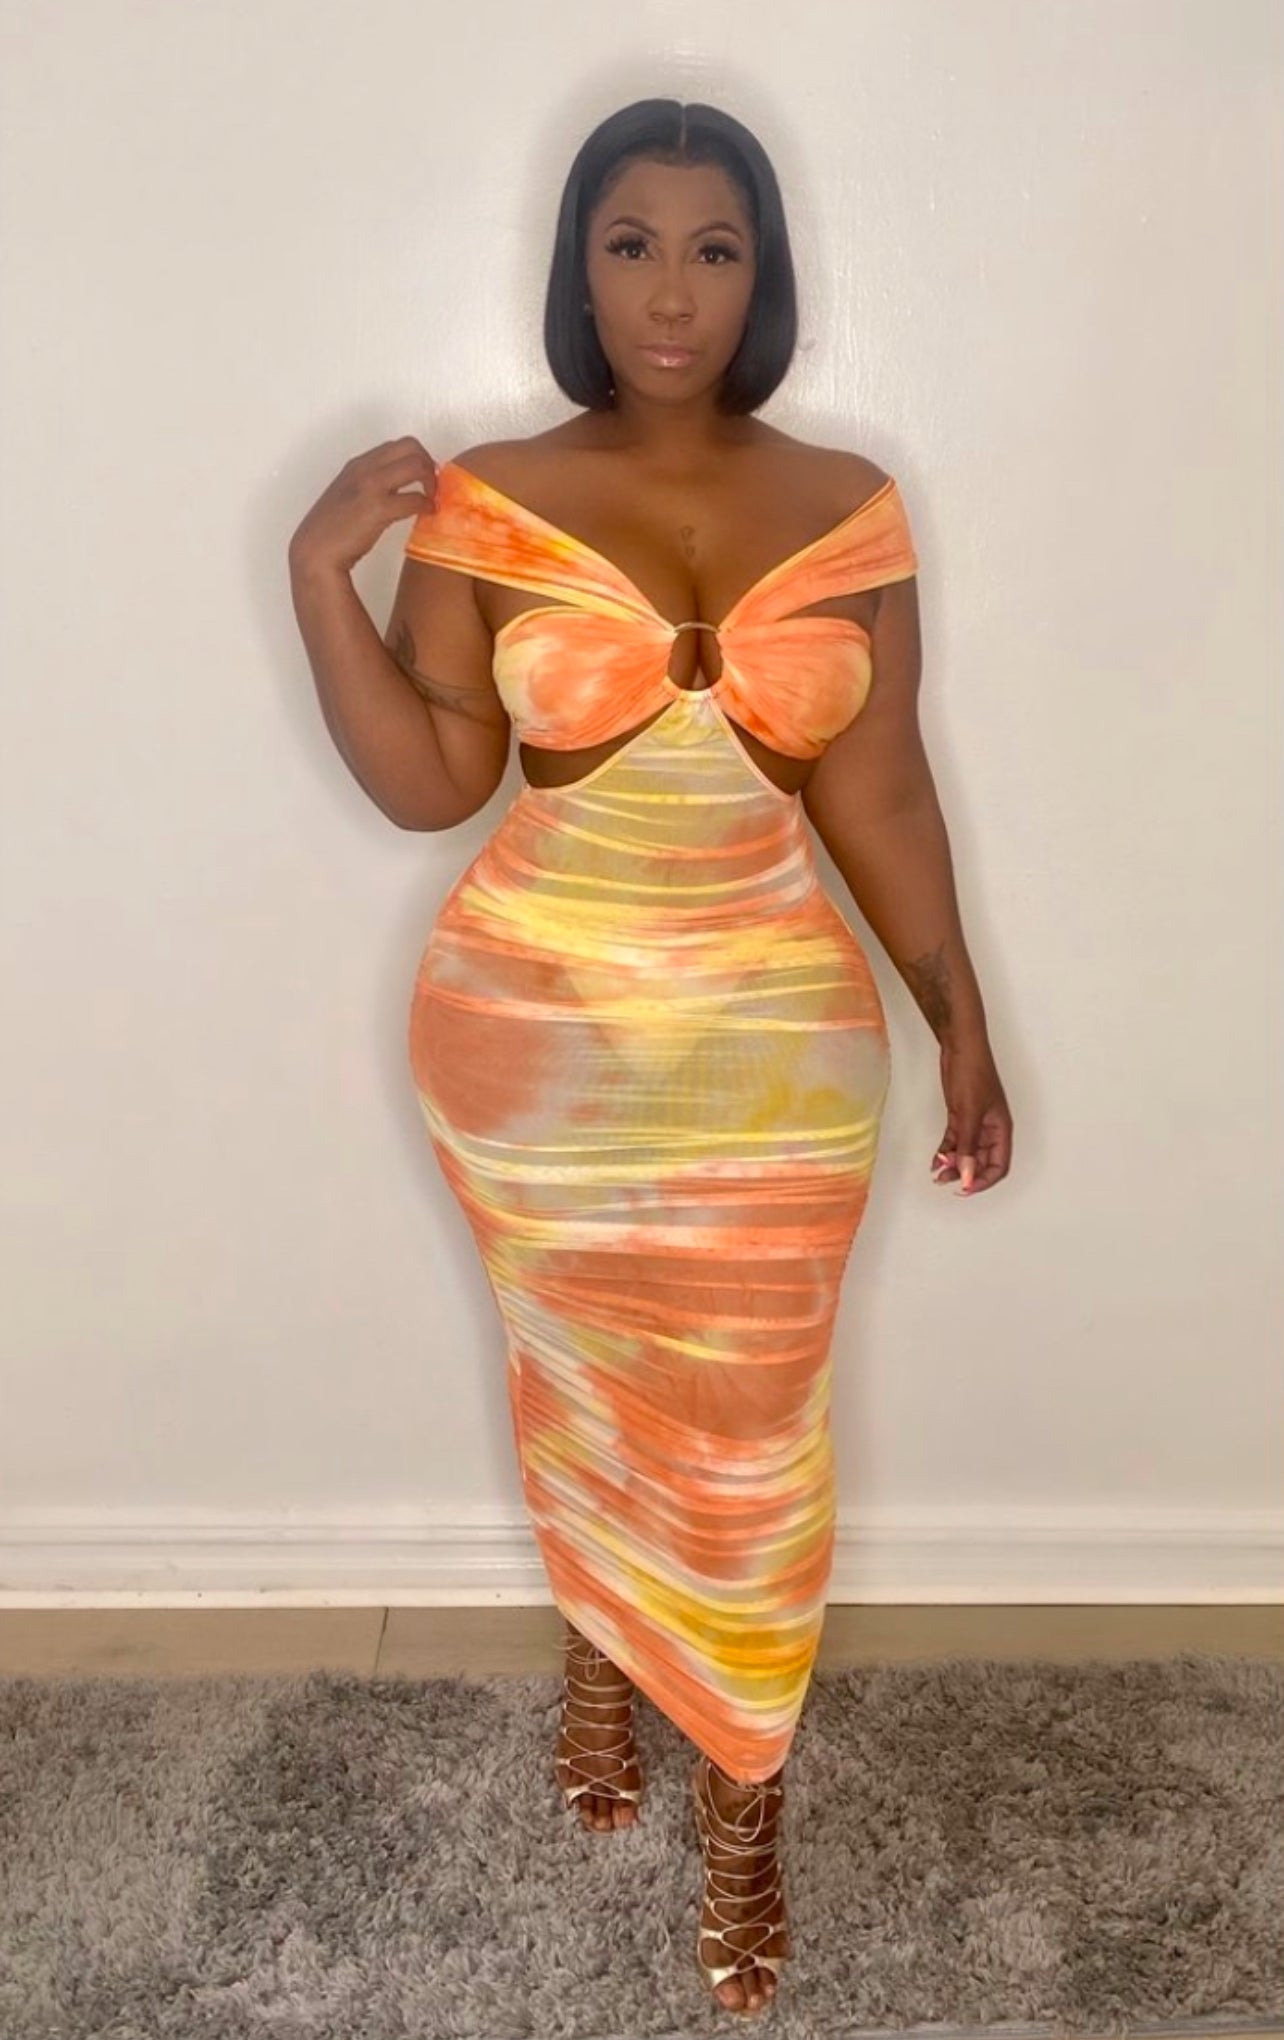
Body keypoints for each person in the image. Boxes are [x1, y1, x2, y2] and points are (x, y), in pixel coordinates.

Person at [288, 97, 1013, 2021]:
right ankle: (605, 1657)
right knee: (587, 1389)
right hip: (531, 1034)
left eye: (714, 247)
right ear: (580, 268)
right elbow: (432, 783)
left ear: (763, 275)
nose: (673, 291)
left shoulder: (853, 511)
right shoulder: (489, 500)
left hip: (780, 1040)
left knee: (759, 1434)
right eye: (633, 245)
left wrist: (963, 1022)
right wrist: (317, 580)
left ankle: (746, 1797)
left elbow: (880, 791)